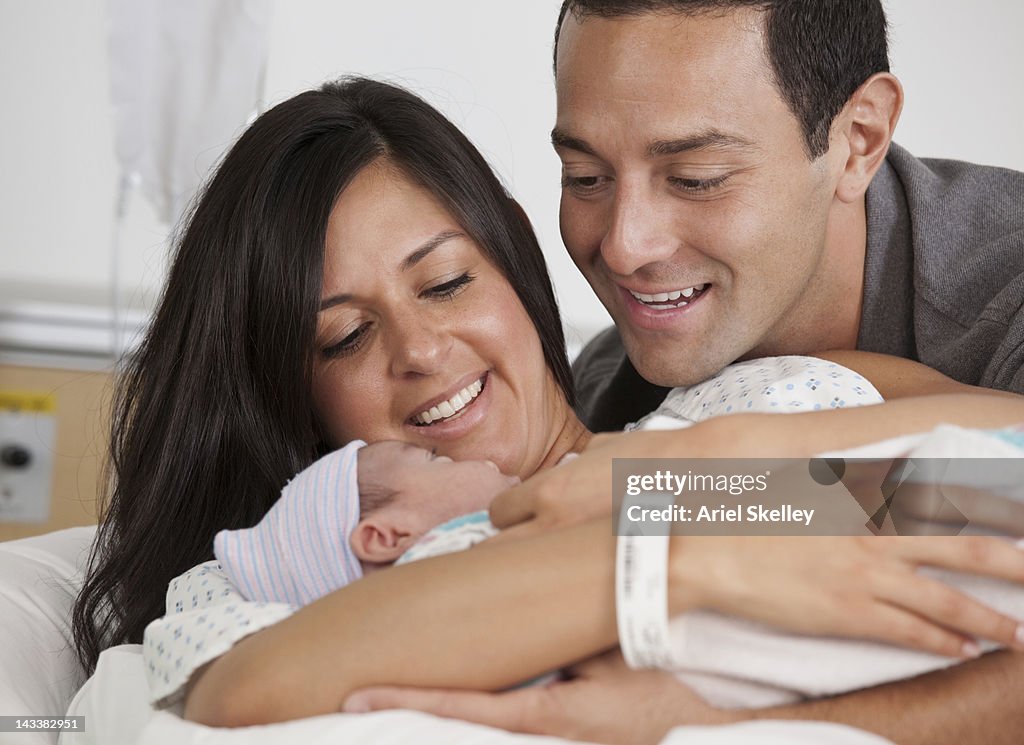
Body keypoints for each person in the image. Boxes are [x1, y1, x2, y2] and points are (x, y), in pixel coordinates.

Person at [70, 77, 1024, 745]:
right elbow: (244, 690)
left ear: (514, 266)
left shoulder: (748, 397)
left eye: (444, 283)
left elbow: (988, 472)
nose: (422, 352)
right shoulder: (303, 570)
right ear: (293, 398)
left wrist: (695, 474)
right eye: (344, 337)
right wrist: (684, 554)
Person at [553, 0, 1024, 433]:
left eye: (696, 179)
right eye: (585, 177)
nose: (623, 248)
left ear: (860, 139)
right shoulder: (604, 388)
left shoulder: (1009, 296)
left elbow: (998, 499)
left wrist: (682, 484)